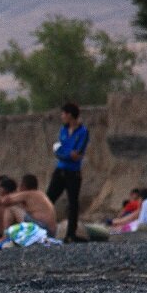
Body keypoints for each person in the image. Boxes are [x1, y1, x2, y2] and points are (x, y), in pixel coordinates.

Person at [46, 102, 89, 243]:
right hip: (60, 170)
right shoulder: (63, 130)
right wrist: (66, 154)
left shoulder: (83, 132)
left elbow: (77, 153)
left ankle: (71, 234)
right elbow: (59, 150)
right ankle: (43, 230)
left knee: (73, 203)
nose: (62, 116)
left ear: (70, 114)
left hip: (73, 173)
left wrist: (65, 154)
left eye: (63, 113)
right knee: (48, 199)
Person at [0, 174, 58, 244]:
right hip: (51, 233)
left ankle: (5, 238)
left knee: (11, 208)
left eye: (19, 185)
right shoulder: (39, 194)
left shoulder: (27, 194)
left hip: (43, 230)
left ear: (23, 186)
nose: (18, 188)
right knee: (16, 208)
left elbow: (5, 201)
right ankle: (13, 237)